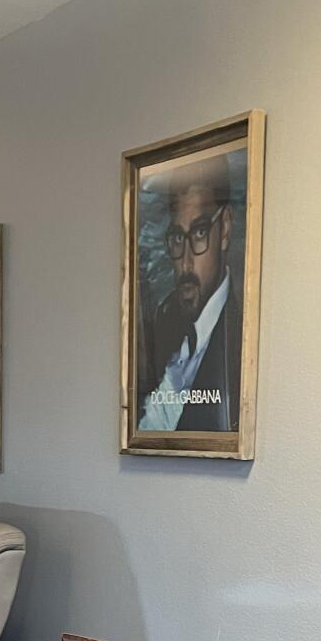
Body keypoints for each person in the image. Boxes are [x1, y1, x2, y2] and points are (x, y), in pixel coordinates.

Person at [137, 154, 242, 433]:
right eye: (177, 238)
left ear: (225, 229)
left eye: (198, 233)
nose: (184, 262)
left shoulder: (238, 339)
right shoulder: (165, 319)